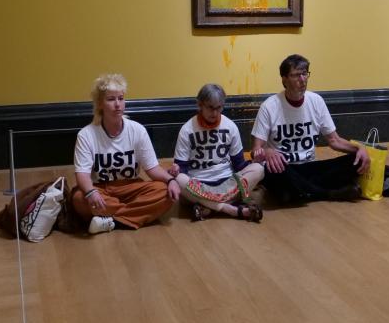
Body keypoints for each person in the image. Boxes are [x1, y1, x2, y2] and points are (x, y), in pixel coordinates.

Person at [250, 54, 370, 204]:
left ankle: (302, 192)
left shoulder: (316, 101)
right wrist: (267, 152)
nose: (302, 79)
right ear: (284, 79)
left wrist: (359, 148)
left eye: (305, 73)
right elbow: (255, 151)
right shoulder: (269, 106)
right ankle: (329, 193)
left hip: (309, 166)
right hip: (285, 168)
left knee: (356, 160)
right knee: (272, 172)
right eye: (296, 75)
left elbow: (334, 140)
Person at [71, 74, 179, 234]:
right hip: (102, 189)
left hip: (132, 186)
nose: (117, 105)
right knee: (79, 198)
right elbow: (82, 175)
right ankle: (133, 215)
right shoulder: (86, 135)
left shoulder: (137, 130)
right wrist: (91, 192)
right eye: (111, 99)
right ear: (100, 104)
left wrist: (171, 180)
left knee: (164, 192)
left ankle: (110, 220)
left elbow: (152, 169)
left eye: (121, 98)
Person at [169, 84, 264, 222]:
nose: (214, 113)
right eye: (210, 107)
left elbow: (239, 165)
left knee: (259, 169)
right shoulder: (187, 130)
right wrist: (176, 169)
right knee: (179, 179)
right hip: (199, 185)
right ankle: (231, 209)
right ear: (200, 105)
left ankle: (208, 207)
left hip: (227, 182)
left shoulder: (230, 126)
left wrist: (255, 162)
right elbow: (181, 168)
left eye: (218, 108)